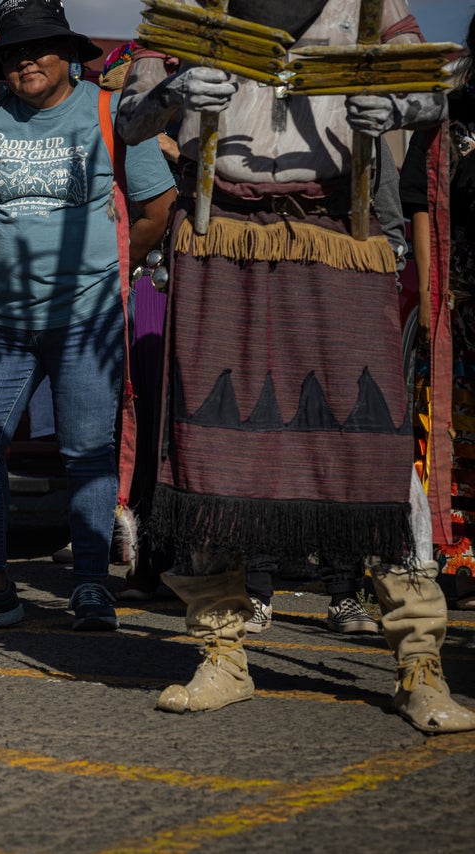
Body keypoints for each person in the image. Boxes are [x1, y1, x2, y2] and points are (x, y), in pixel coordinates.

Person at [116, 0, 475, 732]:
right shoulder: (189, 6)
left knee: (373, 458)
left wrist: (397, 103)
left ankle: (419, 660)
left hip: (338, 233)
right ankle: (222, 652)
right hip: (221, 233)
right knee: (206, 454)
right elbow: (128, 120)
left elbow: (439, 84)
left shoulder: (370, 3)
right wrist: (171, 96)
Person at [0, 0, 176, 632]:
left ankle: (92, 585)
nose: (26, 61)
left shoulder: (110, 112)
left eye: (39, 48)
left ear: (68, 52)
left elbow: (157, 206)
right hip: (0, 320)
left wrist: (111, 268)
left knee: (88, 452)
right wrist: (5, 260)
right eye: (13, 53)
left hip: (87, 318)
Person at [402, 12, 475, 610]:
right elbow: (418, 201)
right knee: (451, 431)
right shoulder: (452, 113)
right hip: (461, 300)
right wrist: (429, 297)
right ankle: (461, 555)